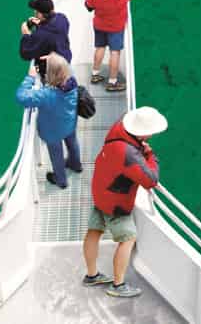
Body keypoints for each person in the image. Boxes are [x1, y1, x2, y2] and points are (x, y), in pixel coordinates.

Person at [81, 106, 167, 299]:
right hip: (116, 203)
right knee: (128, 238)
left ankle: (91, 275)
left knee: (94, 231)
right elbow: (150, 180)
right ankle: (118, 285)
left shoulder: (118, 128)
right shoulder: (130, 154)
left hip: (100, 191)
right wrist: (151, 156)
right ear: (143, 132)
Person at [15, 54, 82, 188]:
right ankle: (76, 164)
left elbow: (21, 97)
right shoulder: (72, 80)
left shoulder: (46, 95)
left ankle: (61, 180)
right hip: (69, 123)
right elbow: (63, 66)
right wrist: (53, 59)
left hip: (53, 131)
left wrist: (30, 78)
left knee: (56, 155)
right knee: (73, 143)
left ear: (50, 74)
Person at [84, 0, 141, 92]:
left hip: (99, 25)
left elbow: (88, 6)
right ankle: (112, 83)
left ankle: (95, 75)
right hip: (116, 28)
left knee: (100, 48)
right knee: (114, 53)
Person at [19, 0, 70, 81]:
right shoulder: (62, 18)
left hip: (51, 72)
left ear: (39, 14)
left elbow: (25, 54)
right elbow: (51, 33)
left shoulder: (41, 35)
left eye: (36, 10)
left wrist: (26, 35)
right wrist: (41, 24)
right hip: (66, 61)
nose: (34, 11)